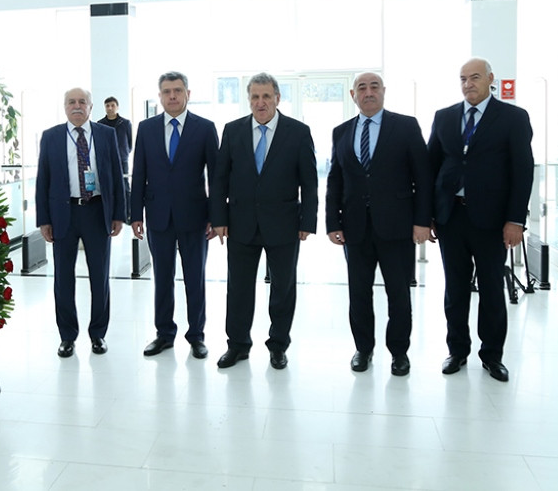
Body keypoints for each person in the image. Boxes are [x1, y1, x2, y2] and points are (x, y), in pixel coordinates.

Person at [428, 57, 534, 383]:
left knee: (491, 289)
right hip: (451, 217)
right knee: (455, 289)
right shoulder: (444, 117)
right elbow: (431, 166)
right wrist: (429, 214)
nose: (468, 84)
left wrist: (515, 220)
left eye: (474, 77)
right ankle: (457, 350)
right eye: (462, 78)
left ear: (490, 79)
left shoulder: (513, 118)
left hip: (492, 221)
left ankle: (492, 355)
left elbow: (522, 171)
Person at [325, 73, 432, 376]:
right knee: (359, 291)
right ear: (352, 94)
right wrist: (333, 221)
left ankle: (399, 352)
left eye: (374, 87)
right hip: (356, 228)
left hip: (397, 227)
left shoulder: (406, 126)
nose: (368, 92)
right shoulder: (341, 132)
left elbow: (422, 177)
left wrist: (422, 221)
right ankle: (363, 348)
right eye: (362, 88)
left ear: (384, 91)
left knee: (398, 292)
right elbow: (335, 179)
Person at [210, 72, 318, 371]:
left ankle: (278, 345)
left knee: (283, 289)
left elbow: (309, 182)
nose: (260, 102)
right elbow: (219, 180)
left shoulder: (298, 132)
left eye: (266, 96)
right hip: (240, 224)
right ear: (249, 100)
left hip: (284, 224)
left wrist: (307, 221)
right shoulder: (232, 131)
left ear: (277, 98)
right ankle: (238, 345)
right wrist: (218, 218)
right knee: (239, 289)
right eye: (255, 97)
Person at [131, 72, 219, 359]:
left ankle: (196, 336)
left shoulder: (205, 129)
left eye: (177, 90)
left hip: (195, 217)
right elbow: (139, 174)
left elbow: (215, 178)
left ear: (187, 94)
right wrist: (135, 215)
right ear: (159, 96)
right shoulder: (146, 128)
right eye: (167, 91)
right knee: (163, 278)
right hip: (158, 216)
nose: (172, 96)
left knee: (195, 278)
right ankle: (164, 334)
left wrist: (216, 217)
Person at [36, 87, 126, 358]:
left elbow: (116, 174)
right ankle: (67, 336)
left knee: (99, 277)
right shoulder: (51, 137)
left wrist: (119, 213)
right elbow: (43, 180)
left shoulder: (106, 134)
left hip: (97, 211)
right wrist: (43, 220)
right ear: (64, 106)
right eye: (71, 102)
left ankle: (98, 334)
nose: (77, 106)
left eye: (82, 102)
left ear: (91, 106)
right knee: (63, 278)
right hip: (64, 214)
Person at [96, 96, 132, 175]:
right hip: (106, 159)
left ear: (117, 107)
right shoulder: (100, 124)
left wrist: (124, 152)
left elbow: (130, 141)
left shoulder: (125, 123)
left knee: (124, 183)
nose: (110, 108)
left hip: (122, 159)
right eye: (107, 106)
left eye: (112, 105)